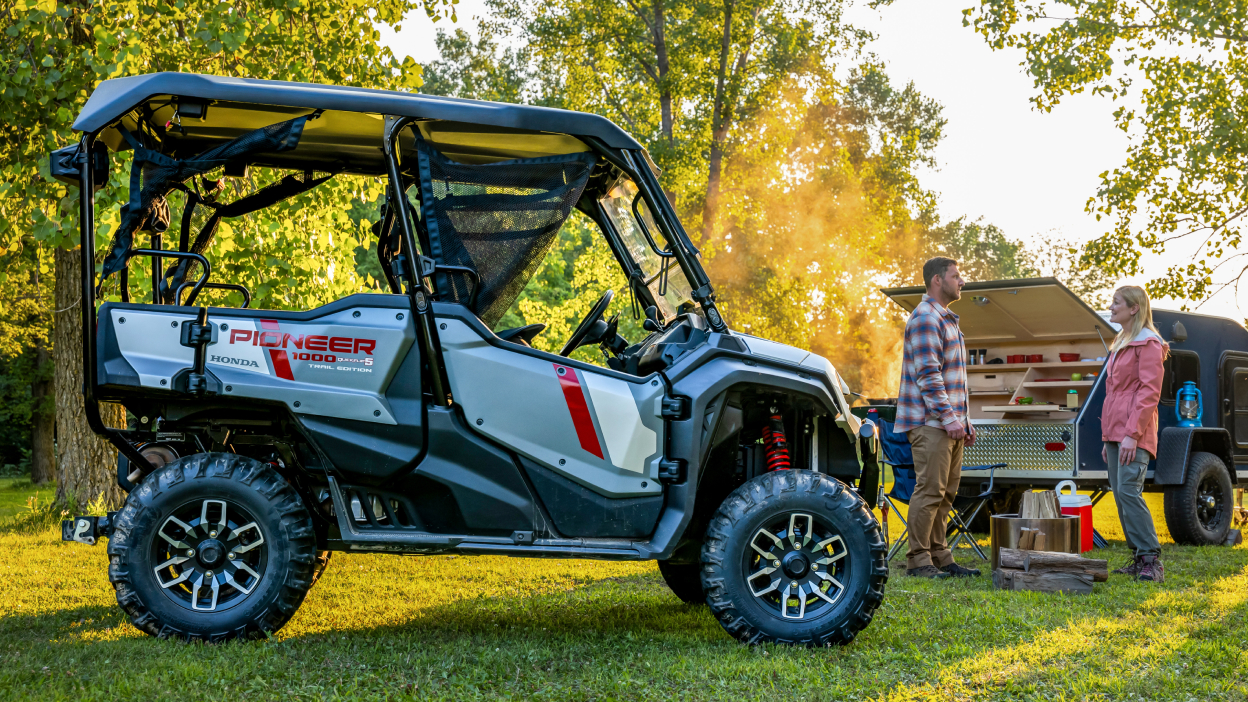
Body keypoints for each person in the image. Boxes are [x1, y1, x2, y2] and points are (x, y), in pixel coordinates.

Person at [894, 257, 979, 579]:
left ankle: (941, 556)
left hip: (948, 424)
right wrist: (949, 418)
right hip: (931, 424)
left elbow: (954, 379)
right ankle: (918, 560)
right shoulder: (926, 318)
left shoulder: (947, 320)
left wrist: (963, 422)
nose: (962, 282)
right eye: (956, 276)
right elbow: (929, 376)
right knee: (929, 491)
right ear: (936, 281)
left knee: (945, 493)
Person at [1102, 285, 1168, 583]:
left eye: (1116, 303)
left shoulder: (1149, 344)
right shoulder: (1122, 341)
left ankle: (1151, 560)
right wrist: (1108, 438)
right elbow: (1113, 394)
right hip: (1117, 433)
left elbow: (1148, 393)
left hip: (1135, 433)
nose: (1111, 306)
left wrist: (1131, 434)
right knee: (1120, 494)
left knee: (1129, 490)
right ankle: (1137, 557)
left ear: (1133, 309)